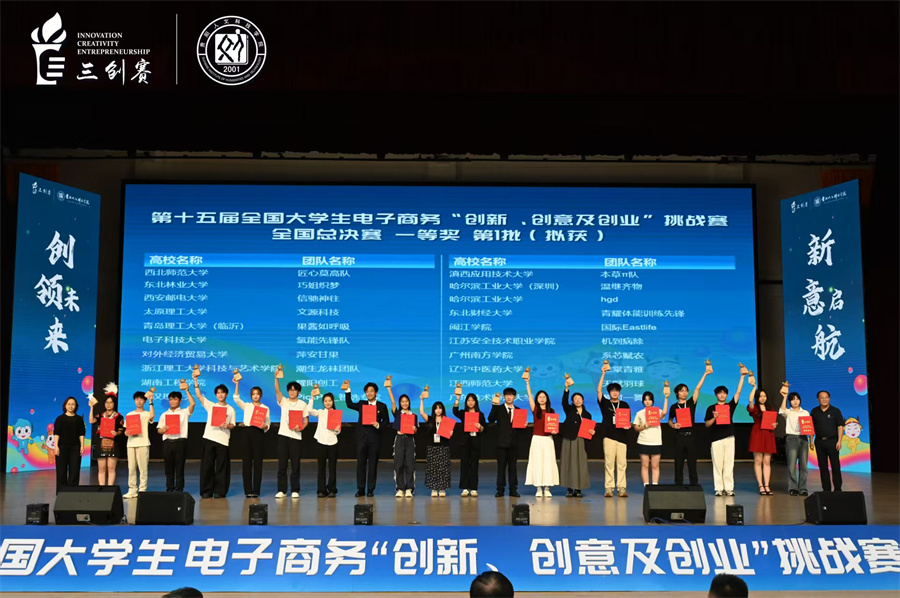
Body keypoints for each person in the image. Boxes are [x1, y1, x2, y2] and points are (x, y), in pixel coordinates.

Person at [187, 368, 236, 499]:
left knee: (221, 467)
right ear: (216, 395)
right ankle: (206, 490)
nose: (220, 395)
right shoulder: (211, 406)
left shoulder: (230, 409)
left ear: (226, 394)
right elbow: (199, 396)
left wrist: (227, 425)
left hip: (223, 440)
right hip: (209, 438)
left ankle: (220, 491)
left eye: (222, 392)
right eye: (218, 393)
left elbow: (233, 425)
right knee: (207, 466)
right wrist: (195, 381)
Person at [704, 363, 746, 497]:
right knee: (717, 464)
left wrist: (742, 377)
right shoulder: (711, 408)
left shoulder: (730, 406)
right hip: (716, 438)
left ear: (726, 395)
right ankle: (718, 488)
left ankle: (729, 488)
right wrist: (714, 418)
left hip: (729, 437)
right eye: (719, 393)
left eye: (724, 393)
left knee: (729, 464)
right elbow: (707, 424)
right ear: (716, 395)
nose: (722, 395)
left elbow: (738, 392)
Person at [344, 380, 390, 496]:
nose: (369, 393)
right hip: (361, 438)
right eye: (367, 391)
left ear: (376, 393)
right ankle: (360, 488)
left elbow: (386, 421)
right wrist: (347, 390)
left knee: (373, 464)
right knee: (361, 464)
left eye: (371, 391)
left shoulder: (382, 406)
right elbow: (349, 404)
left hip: (374, 438)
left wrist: (378, 425)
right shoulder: (362, 404)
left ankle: (370, 489)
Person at [669, 363, 710, 486]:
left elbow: (697, 388)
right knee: (679, 462)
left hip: (691, 436)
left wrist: (705, 374)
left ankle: (694, 484)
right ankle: (678, 484)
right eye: (682, 391)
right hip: (679, 436)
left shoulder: (691, 403)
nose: (685, 393)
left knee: (692, 462)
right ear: (677, 393)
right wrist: (673, 425)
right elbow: (670, 420)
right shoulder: (674, 406)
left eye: (686, 391)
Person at [273, 368, 309, 498]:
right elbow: (277, 391)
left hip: (296, 437)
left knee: (295, 465)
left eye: (294, 390)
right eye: (290, 390)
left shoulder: (303, 404)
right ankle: (282, 490)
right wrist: (276, 378)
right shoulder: (284, 401)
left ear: (298, 392)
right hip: (283, 435)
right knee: (282, 464)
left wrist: (301, 428)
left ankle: (295, 490)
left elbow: (306, 420)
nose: (292, 392)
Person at [523, 368, 559, 497]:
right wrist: (527, 383)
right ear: (537, 399)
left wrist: (554, 431)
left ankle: (547, 488)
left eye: (544, 397)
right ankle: (538, 488)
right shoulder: (535, 409)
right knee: (537, 462)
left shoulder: (552, 411)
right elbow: (529, 396)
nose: (542, 399)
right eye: (539, 397)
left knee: (548, 462)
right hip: (537, 439)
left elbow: (553, 426)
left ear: (547, 399)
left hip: (548, 439)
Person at [596, 360, 630, 497]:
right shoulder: (605, 403)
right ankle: (609, 488)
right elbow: (598, 391)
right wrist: (603, 374)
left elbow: (627, 420)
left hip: (622, 437)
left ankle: (621, 488)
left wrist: (628, 426)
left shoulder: (625, 404)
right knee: (609, 463)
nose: (615, 393)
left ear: (619, 392)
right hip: (608, 436)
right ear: (609, 392)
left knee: (622, 464)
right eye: (612, 391)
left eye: (617, 391)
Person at [233, 375, 270, 498]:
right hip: (247, 433)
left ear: (261, 395)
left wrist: (265, 426)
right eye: (253, 394)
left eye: (257, 394)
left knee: (258, 462)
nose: (255, 396)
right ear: (251, 395)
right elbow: (236, 398)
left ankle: (256, 490)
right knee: (247, 462)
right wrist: (237, 384)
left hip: (258, 433)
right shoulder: (247, 406)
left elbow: (268, 424)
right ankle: (248, 490)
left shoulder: (265, 408)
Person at [559, 374, 594, 497]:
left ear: (583, 400)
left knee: (580, 464)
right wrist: (566, 389)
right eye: (575, 398)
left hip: (582, 440)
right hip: (570, 439)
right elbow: (564, 402)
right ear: (572, 401)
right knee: (568, 463)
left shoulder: (588, 415)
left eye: (579, 398)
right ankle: (569, 488)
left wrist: (592, 432)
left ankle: (579, 488)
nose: (577, 400)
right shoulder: (569, 410)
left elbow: (590, 428)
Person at [158, 383, 196, 493]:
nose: (172, 401)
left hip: (180, 442)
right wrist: (163, 429)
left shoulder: (184, 412)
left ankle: (179, 489)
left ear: (180, 401)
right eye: (170, 399)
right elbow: (159, 430)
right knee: (168, 468)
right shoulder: (164, 414)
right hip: (168, 443)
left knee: (180, 468)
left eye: (175, 399)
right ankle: (169, 489)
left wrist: (187, 390)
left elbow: (193, 404)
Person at [307, 384, 341, 498]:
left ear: (333, 402)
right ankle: (321, 490)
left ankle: (332, 489)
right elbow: (309, 410)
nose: (327, 403)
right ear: (323, 402)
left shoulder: (336, 413)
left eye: (329, 401)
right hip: (321, 441)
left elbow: (338, 430)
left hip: (333, 442)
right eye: (325, 401)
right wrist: (312, 397)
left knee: (332, 467)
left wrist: (337, 430)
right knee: (321, 467)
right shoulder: (320, 412)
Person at [488, 387, 522, 497]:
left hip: (514, 444)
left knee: (513, 468)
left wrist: (524, 425)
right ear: (504, 396)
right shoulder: (499, 409)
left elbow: (519, 429)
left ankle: (513, 490)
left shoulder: (519, 410)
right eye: (507, 395)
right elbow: (490, 419)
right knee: (501, 468)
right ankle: (500, 490)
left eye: (511, 395)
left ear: (514, 397)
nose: (509, 397)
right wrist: (494, 406)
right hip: (501, 444)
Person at [633, 384, 670, 486]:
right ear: (643, 401)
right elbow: (636, 427)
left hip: (656, 442)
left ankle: (654, 485)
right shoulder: (640, 413)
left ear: (653, 401)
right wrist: (644, 426)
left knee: (655, 465)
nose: (647, 402)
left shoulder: (657, 411)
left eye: (649, 399)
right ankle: (646, 485)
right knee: (645, 465)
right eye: (645, 400)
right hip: (643, 441)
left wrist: (666, 398)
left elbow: (664, 413)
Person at [746, 373, 777, 495]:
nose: (763, 398)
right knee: (758, 460)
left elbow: (773, 422)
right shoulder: (755, 408)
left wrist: (774, 425)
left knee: (767, 461)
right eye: (760, 396)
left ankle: (767, 485)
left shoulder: (770, 408)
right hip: (758, 433)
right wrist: (754, 387)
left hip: (768, 434)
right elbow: (750, 401)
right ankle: (760, 485)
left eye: (764, 396)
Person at [453, 384, 485, 497]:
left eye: (472, 400)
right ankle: (465, 488)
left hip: (475, 442)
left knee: (474, 465)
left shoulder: (480, 414)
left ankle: (474, 488)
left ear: (476, 402)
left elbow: (484, 429)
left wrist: (479, 426)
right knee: (464, 465)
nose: (470, 402)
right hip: (465, 442)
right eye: (468, 400)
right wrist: (457, 398)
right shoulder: (463, 413)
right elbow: (455, 411)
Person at [386, 376, 417, 498]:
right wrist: (389, 388)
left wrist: (414, 429)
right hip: (399, 439)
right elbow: (392, 402)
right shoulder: (398, 413)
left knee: (410, 464)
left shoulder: (413, 415)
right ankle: (400, 488)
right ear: (400, 403)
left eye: (406, 401)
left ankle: (409, 488)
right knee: (398, 464)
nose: (404, 403)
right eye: (402, 401)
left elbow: (416, 429)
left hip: (409, 440)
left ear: (409, 402)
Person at [88, 389, 125, 486]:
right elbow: (91, 421)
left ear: (114, 404)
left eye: (111, 402)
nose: (108, 404)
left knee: (111, 468)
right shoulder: (100, 415)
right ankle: (102, 489)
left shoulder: (119, 417)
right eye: (106, 402)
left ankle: (110, 489)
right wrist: (91, 408)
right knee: (101, 468)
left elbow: (121, 431)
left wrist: (116, 433)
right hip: (101, 444)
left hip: (114, 445)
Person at [124, 389, 155, 499]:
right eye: (137, 399)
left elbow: (152, 416)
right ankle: (132, 489)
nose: (139, 401)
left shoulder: (146, 414)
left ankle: (142, 490)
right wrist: (126, 433)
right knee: (131, 468)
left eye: (141, 399)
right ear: (134, 401)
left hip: (143, 443)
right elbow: (126, 430)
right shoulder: (129, 414)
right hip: (131, 443)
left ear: (144, 401)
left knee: (143, 468)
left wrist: (151, 402)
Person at [810, 389, 844, 491]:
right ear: (818, 399)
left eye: (826, 397)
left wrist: (839, 441)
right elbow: (811, 427)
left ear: (829, 398)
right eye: (822, 398)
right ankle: (826, 489)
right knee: (822, 466)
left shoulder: (836, 411)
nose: (824, 399)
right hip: (819, 442)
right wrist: (811, 441)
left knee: (835, 466)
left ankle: (837, 488)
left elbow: (840, 427)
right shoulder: (814, 411)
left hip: (833, 441)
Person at [421, 389, 452, 497]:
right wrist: (421, 400)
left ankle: (442, 488)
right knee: (432, 468)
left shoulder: (447, 420)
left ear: (443, 409)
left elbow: (449, 434)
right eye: (436, 408)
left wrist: (451, 433)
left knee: (443, 468)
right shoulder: (430, 420)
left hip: (443, 447)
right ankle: (434, 488)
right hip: (432, 447)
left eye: (440, 408)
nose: (438, 410)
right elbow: (421, 412)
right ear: (433, 410)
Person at [779, 389, 810, 496]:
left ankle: (803, 488)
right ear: (790, 402)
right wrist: (784, 396)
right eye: (792, 399)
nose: (795, 401)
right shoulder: (788, 412)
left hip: (803, 438)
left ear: (800, 400)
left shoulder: (805, 412)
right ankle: (793, 488)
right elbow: (782, 410)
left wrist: (811, 440)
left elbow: (809, 426)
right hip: (791, 438)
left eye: (797, 399)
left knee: (804, 465)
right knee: (792, 464)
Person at [53, 396, 86, 490]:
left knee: (74, 471)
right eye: (69, 404)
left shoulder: (79, 419)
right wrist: (56, 446)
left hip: (75, 448)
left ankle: (73, 492)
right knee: (61, 471)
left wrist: (82, 446)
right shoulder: (60, 419)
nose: (71, 406)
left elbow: (81, 434)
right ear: (65, 405)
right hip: (62, 447)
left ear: (76, 406)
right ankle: (61, 492)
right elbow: (56, 434)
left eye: (73, 404)